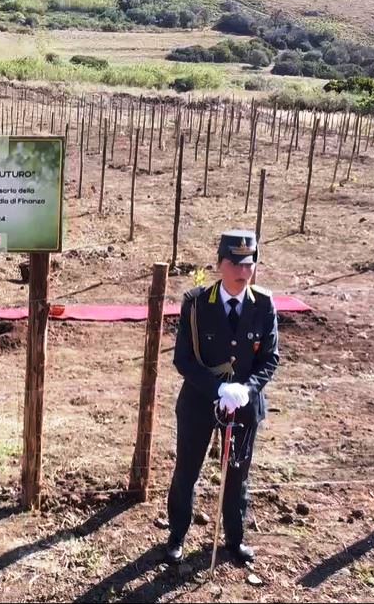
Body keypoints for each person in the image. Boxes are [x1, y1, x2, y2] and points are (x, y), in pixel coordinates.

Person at [165, 229, 280, 566]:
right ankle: (176, 536)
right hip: (200, 403)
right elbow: (183, 359)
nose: (244, 271)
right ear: (220, 265)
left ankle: (234, 539)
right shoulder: (197, 303)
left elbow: (270, 357)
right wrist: (218, 389)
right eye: (235, 263)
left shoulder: (263, 304)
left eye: (250, 263)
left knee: (237, 475)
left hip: (244, 406)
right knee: (187, 471)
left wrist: (246, 389)